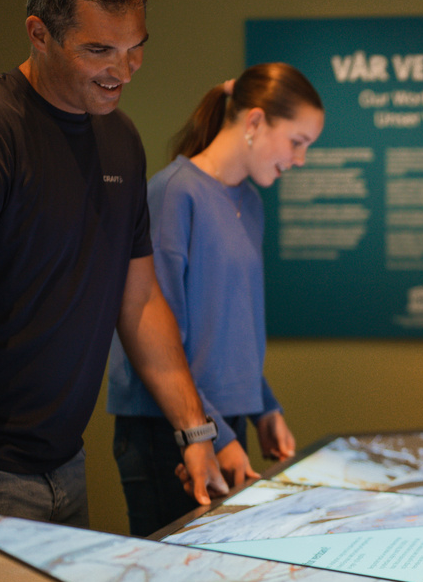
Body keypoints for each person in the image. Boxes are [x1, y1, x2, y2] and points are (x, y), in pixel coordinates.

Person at [0, 0, 239, 526]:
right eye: (99, 51)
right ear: (39, 34)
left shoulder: (120, 140)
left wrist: (195, 429)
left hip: (64, 463)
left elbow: (140, 301)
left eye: (135, 48)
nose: (123, 70)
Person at [106, 63, 324, 535]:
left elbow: (231, 329)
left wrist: (264, 407)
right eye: (297, 141)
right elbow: (155, 337)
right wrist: (216, 436)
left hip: (226, 424)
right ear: (255, 121)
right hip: (168, 430)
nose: (301, 159)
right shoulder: (173, 194)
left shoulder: (250, 203)